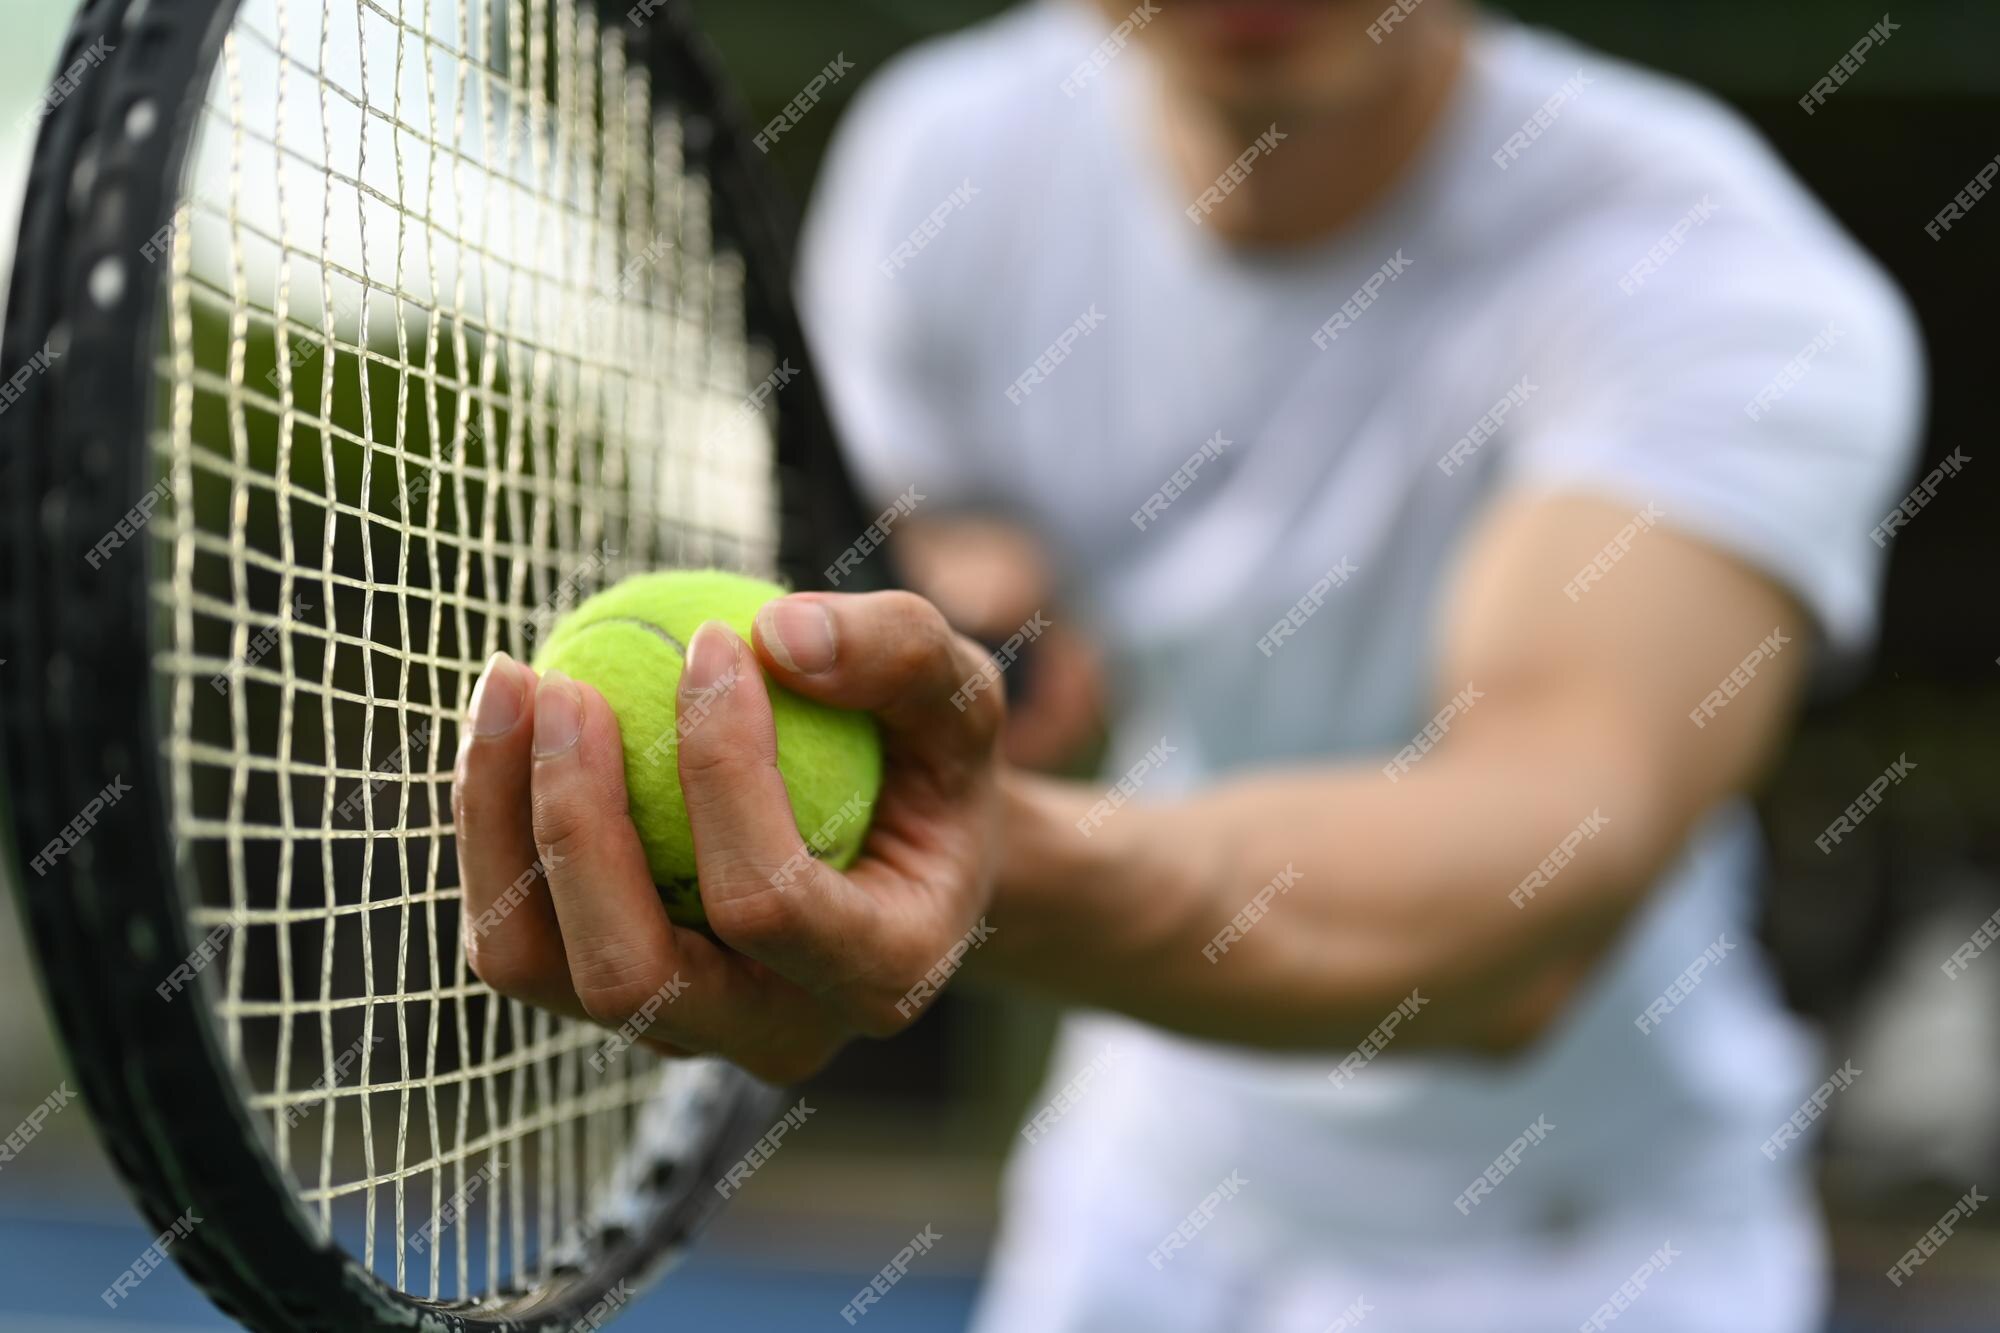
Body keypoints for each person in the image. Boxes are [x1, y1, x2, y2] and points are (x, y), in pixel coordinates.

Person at [451, 0, 1925, 1327]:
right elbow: (962, 544)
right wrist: (974, 641)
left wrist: (983, 864)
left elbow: (1526, 902)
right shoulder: (944, 161)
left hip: (1585, 1257)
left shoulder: (1724, 282)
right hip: (1146, 1199)